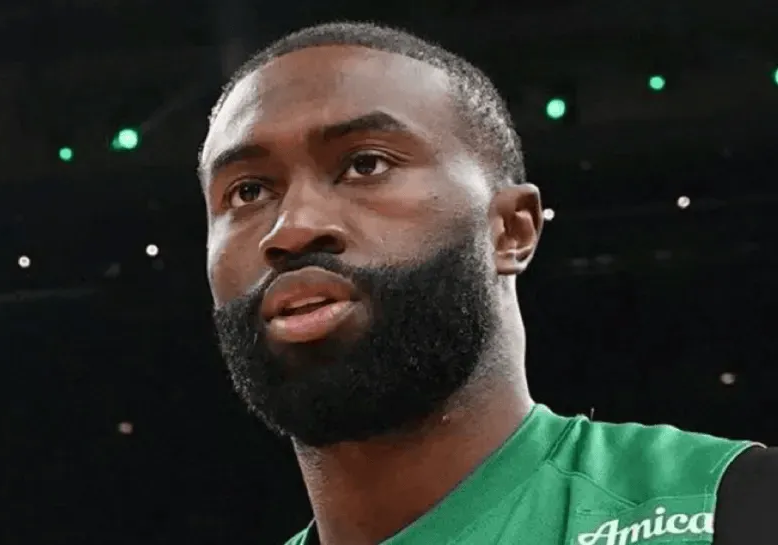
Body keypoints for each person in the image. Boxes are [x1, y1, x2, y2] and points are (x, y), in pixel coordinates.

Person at [198, 21, 775, 545]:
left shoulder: (734, 507)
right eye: (249, 191)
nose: (293, 227)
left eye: (365, 164)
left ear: (510, 230)